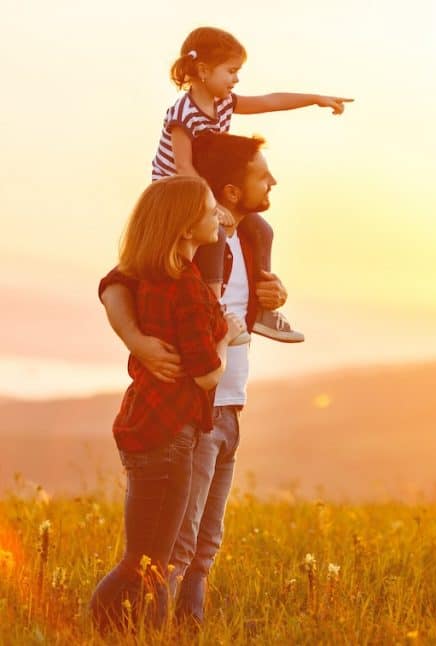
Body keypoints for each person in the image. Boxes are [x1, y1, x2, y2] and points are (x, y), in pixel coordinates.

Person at [101, 131, 289, 627]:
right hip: (191, 410)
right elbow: (117, 282)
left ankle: (187, 627)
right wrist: (137, 341)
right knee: (172, 546)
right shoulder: (184, 254)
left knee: (206, 541)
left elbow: (228, 318)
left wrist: (271, 300)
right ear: (228, 190)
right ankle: (146, 629)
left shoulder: (250, 238)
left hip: (228, 405)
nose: (272, 181)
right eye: (260, 174)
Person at [90, 176, 246, 633]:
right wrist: (227, 335)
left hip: (145, 423)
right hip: (171, 435)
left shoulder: (159, 278)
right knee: (151, 563)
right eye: (209, 207)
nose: (217, 215)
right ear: (183, 228)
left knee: (144, 559)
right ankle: (127, 632)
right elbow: (206, 374)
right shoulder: (187, 288)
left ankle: (110, 631)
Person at [152, 25, 353, 343]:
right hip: (177, 192)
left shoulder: (224, 103)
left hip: (205, 188)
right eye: (231, 71)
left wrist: (315, 98)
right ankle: (212, 310)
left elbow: (270, 101)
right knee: (215, 233)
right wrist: (211, 205)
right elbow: (183, 167)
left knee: (262, 230)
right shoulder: (183, 113)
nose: (236, 79)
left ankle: (261, 310)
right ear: (203, 70)